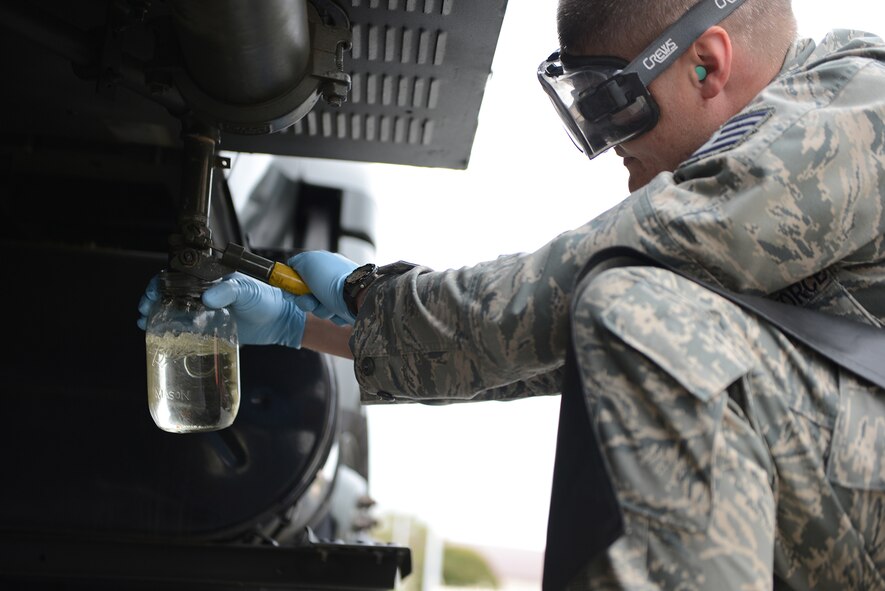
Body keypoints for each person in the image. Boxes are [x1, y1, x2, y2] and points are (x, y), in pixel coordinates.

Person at [139, 0, 885, 588]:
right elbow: (559, 341)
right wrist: (304, 328)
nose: (616, 156)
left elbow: (608, 275)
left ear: (706, 64)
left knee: (632, 306)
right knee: (624, 318)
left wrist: (375, 296)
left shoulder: (857, 106)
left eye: (615, 105)